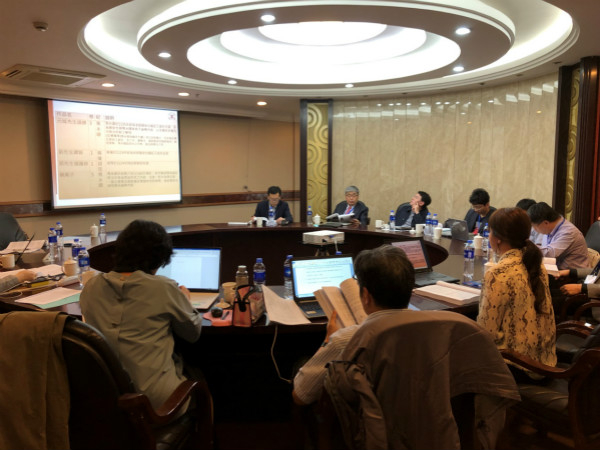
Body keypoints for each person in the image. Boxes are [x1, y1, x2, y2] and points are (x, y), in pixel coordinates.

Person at [80, 220, 203, 414]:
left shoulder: (91, 288)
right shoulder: (163, 288)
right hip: (158, 404)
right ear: (160, 259)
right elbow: (192, 333)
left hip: (108, 402)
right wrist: (185, 301)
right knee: (200, 376)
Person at [292, 245, 415, 405]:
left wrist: (328, 339)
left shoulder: (344, 340)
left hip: (367, 418)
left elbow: (301, 396)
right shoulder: (434, 330)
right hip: (420, 414)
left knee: (299, 363)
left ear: (366, 296)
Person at [477, 207, 556, 380]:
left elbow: (486, 333)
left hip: (517, 366)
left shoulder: (498, 273)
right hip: (545, 364)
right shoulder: (537, 264)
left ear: (497, 239)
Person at [527, 202, 588, 269]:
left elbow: (549, 254)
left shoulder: (568, 232)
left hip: (571, 273)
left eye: (534, 226)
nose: (534, 229)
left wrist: (526, 245)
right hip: (556, 270)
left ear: (546, 223)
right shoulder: (549, 229)